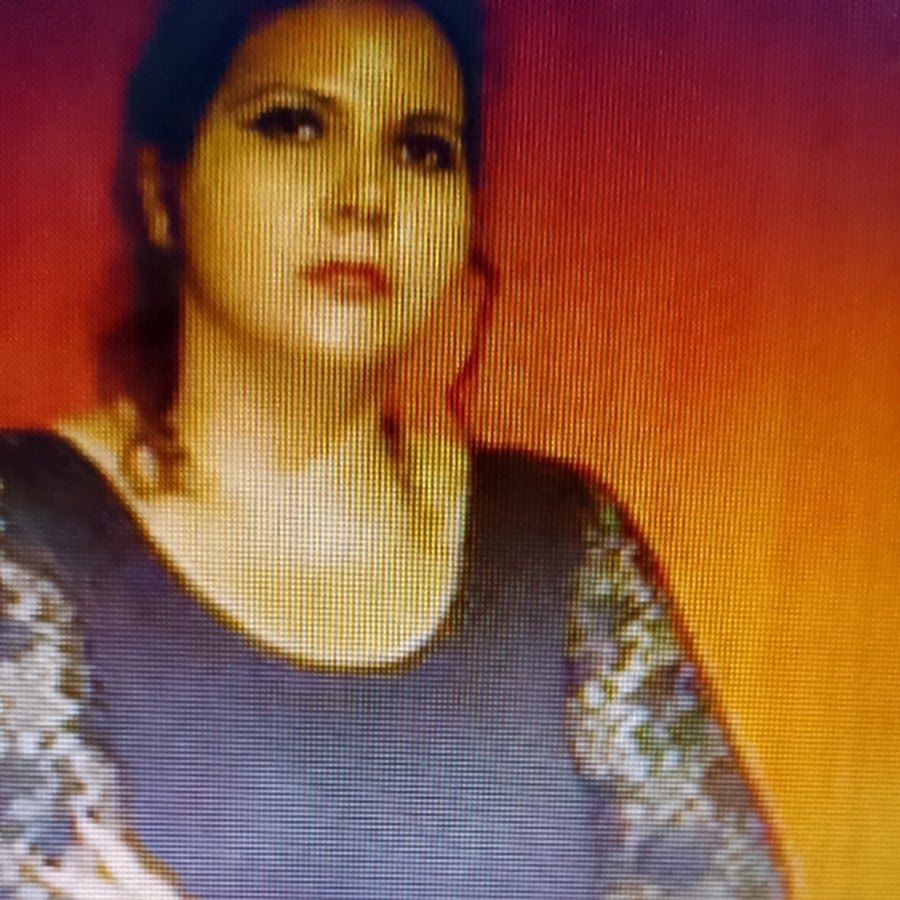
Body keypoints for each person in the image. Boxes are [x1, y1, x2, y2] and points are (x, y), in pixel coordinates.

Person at [0, 0, 789, 896]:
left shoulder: (559, 543)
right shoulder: (25, 524)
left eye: (421, 149)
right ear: (163, 193)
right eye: (294, 125)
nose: (365, 198)